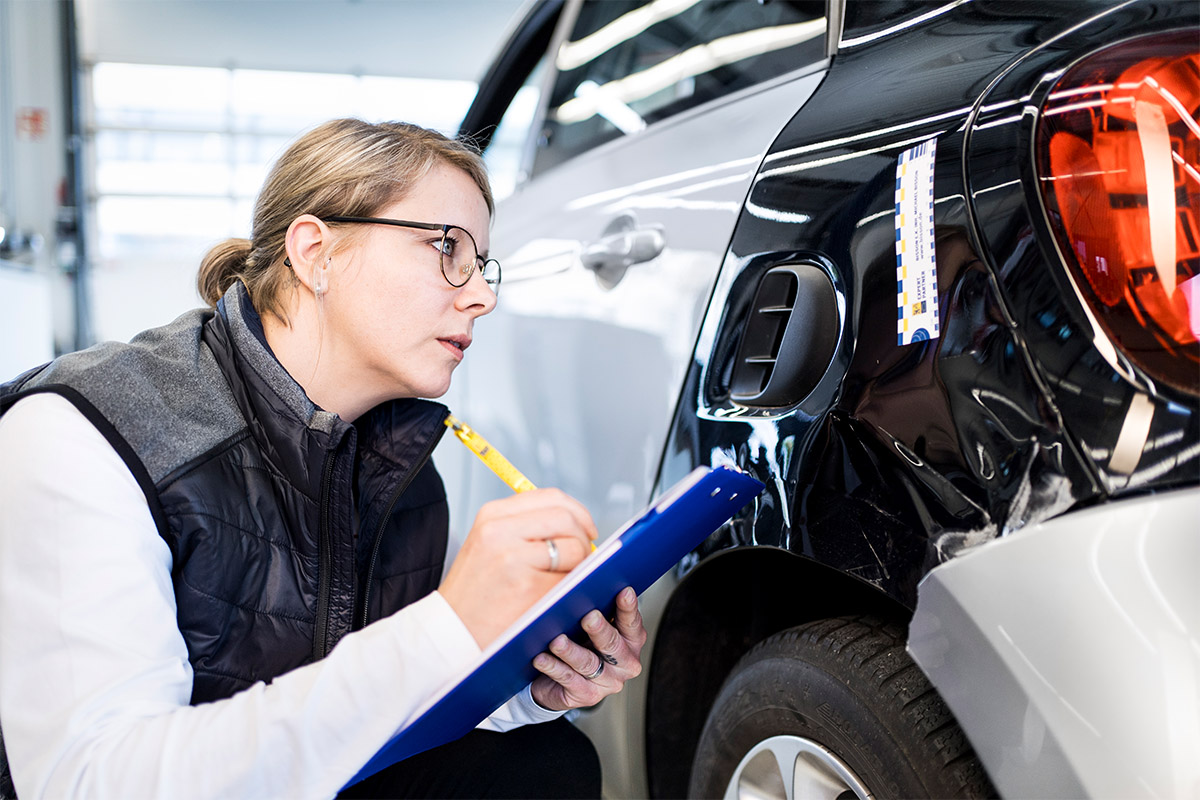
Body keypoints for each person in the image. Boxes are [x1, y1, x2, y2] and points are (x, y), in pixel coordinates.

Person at [0, 118, 646, 799]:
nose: (482, 296)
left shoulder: (398, 460)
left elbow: (370, 714)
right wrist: (445, 628)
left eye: (482, 265)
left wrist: (530, 682)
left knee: (544, 757)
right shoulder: (85, 432)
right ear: (315, 252)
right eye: (447, 248)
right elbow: (93, 784)